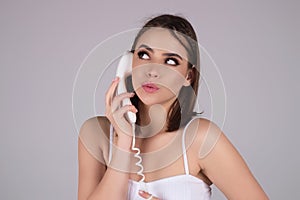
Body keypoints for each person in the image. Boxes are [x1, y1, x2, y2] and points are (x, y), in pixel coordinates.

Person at [78, 14, 269, 200]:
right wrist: (124, 143)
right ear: (128, 63)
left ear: (188, 76)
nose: (152, 71)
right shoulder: (96, 134)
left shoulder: (201, 139)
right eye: (144, 55)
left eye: (170, 61)